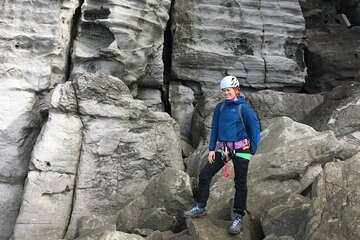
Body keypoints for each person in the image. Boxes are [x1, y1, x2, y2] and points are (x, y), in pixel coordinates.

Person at [184, 75, 260, 235]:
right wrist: (212, 149)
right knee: (205, 175)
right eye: (224, 90)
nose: (226, 93)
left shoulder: (243, 109)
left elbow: (254, 127)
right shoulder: (220, 107)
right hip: (224, 149)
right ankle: (200, 206)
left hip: (241, 150)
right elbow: (215, 129)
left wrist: (252, 150)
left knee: (240, 183)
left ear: (236, 90)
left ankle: (238, 216)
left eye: (229, 90)